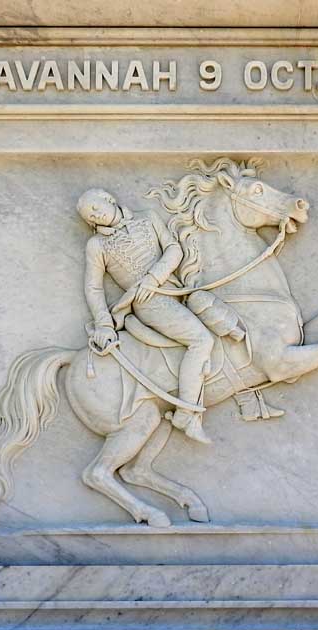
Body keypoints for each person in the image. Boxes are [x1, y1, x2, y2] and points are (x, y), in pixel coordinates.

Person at [78, 188, 213, 444]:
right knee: (202, 340)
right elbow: (94, 288)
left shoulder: (148, 216)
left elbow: (174, 249)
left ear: (109, 199)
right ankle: (186, 415)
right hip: (149, 303)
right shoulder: (97, 245)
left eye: (95, 208)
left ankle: (248, 395)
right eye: (90, 217)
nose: (95, 216)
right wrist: (104, 325)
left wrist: (154, 277)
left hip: (178, 288)